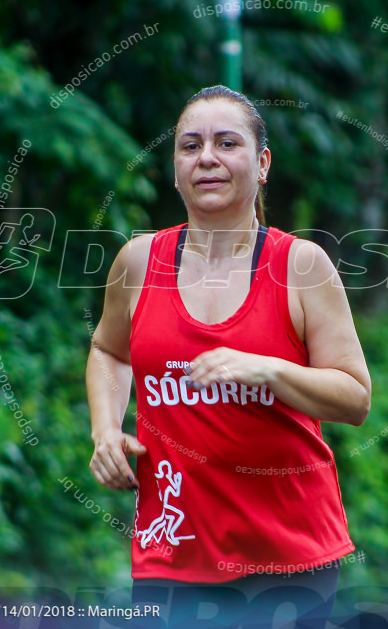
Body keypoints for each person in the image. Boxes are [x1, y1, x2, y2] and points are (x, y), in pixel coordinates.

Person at [86, 85, 372, 628]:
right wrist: (105, 430)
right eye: (190, 146)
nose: (208, 158)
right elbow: (107, 349)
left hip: (287, 559)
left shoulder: (301, 266)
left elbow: (355, 399)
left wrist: (269, 369)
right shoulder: (139, 262)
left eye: (227, 143)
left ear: (262, 164)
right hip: (170, 553)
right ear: (175, 169)